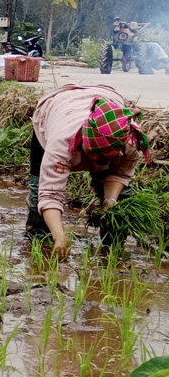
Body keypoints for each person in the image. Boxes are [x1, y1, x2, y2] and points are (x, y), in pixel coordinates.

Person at [26, 83, 151, 259]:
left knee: (120, 204)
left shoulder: (130, 144)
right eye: (92, 153)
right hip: (56, 111)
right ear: (84, 140)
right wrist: (59, 234)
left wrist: (110, 200)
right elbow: (50, 194)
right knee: (37, 194)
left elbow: (120, 174)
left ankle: (111, 254)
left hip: (105, 98)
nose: (96, 162)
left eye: (104, 158)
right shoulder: (59, 144)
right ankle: (39, 246)